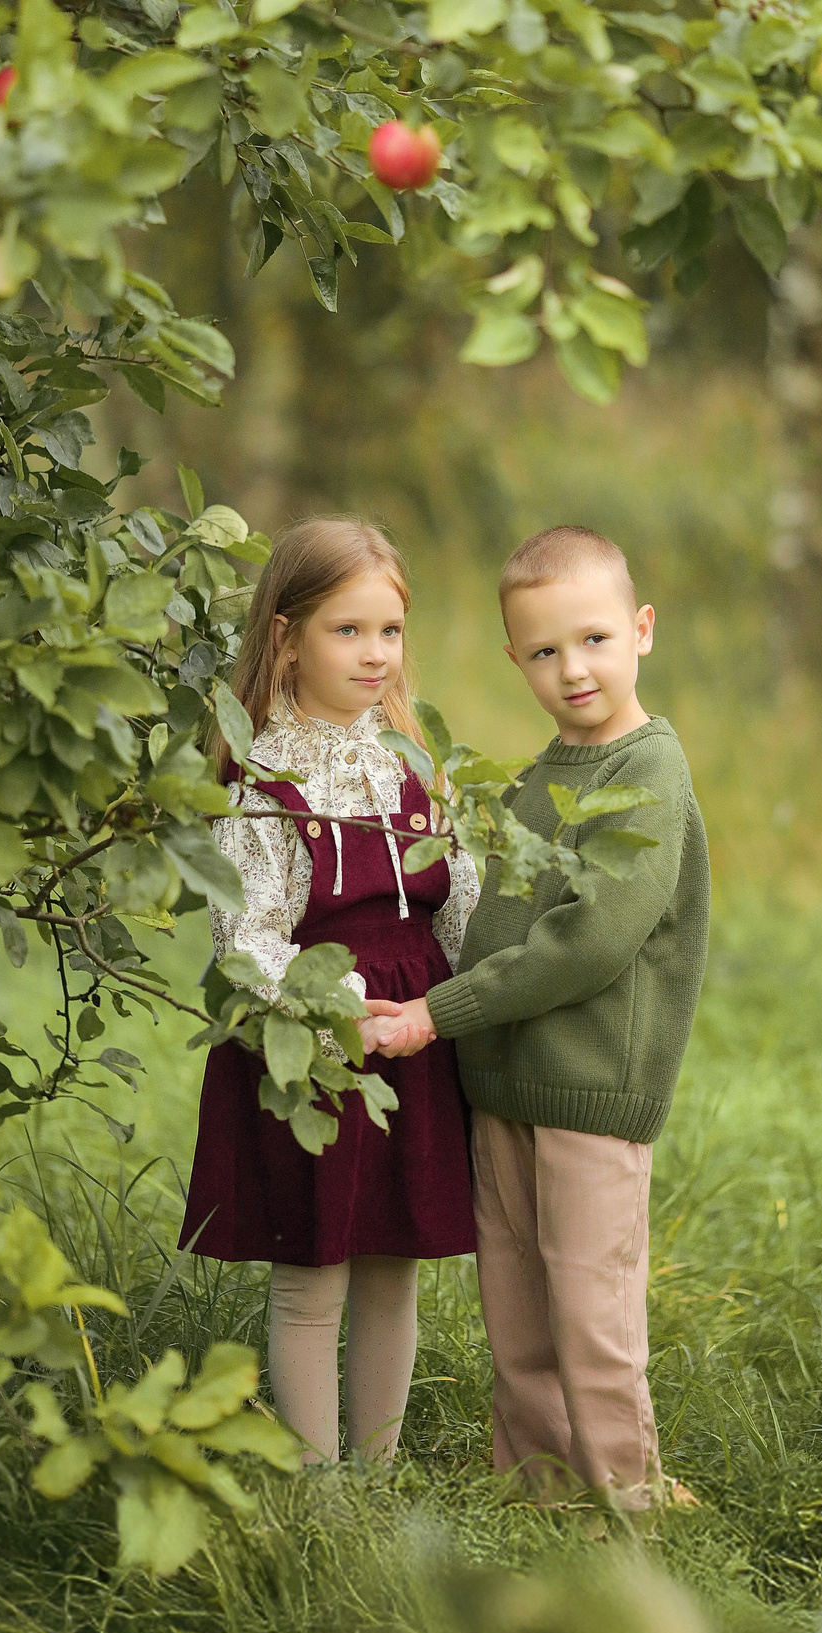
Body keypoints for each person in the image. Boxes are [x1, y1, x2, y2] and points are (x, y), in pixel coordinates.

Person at [361, 526, 710, 1510]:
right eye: (545, 651)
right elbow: (487, 915)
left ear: (641, 631)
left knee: (591, 1314)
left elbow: (589, 943)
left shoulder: (646, 774)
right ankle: (540, 1486)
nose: (574, 670)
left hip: (589, 1089)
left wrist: (442, 1011)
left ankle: (627, 1501)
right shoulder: (539, 776)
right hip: (502, 1087)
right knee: (516, 1311)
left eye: (594, 640)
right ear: (515, 658)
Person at [180, 517, 478, 1466]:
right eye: (347, 631)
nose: (375, 655)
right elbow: (246, 938)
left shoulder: (416, 765)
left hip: (414, 1042)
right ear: (286, 635)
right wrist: (337, 1010)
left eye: (389, 631)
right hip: (309, 1043)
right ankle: (316, 1490)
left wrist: (466, 1001)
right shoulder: (264, 779)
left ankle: (377, 1476)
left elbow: (459, 907)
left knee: (394, 1265)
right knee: (314, 1273)